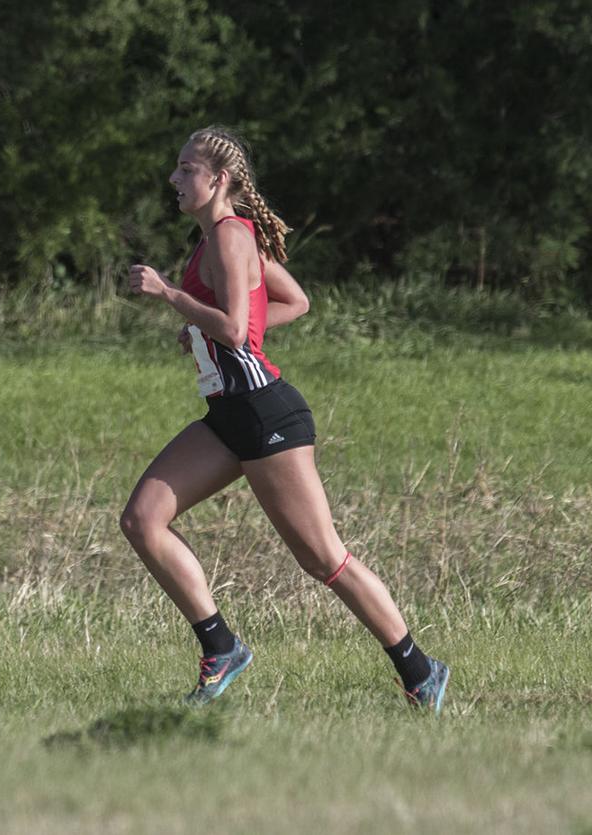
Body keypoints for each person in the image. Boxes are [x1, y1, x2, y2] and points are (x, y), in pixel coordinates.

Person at [121, 126, 450, 712]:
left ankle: (420, 670)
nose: (174, 178)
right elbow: (294, 301)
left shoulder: (228, 238)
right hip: (228, 416)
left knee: (324, 559)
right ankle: (220, 647)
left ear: (217, 179)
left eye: (185, 168)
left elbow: (232, 327)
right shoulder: (219, 239)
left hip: (265, 413)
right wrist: (205, 324)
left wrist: (173, 297)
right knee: (143, 519)